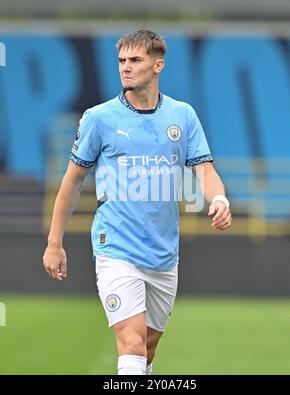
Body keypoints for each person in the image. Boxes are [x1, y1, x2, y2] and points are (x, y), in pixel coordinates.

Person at [43, 30, 232, 375]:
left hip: (163, 254)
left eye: (135, 60)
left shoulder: (182, 115)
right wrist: (54, 243)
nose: (125, 68)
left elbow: (204, 169)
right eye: (121, 61)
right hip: (115, 248)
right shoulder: (99, 118)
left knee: (146, 348)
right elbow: (72, 180)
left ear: (158, 64)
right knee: (130, 342)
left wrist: (218, 198)